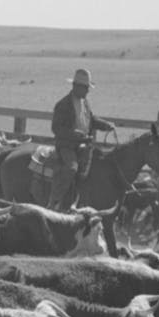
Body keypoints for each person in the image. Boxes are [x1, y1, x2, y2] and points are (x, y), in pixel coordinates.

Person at [48, 68, 115, 210]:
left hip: (83, 145)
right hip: (67, 146)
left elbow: (92, 119)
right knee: (72, 168)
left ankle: (81, 200)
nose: (88, 91)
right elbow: (56, 128)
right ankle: (55, 201)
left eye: (87, 88)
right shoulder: (63, 105)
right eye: (85, 87)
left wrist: (105, 125)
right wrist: (74, 134)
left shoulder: (85, 103)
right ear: (76, 87)